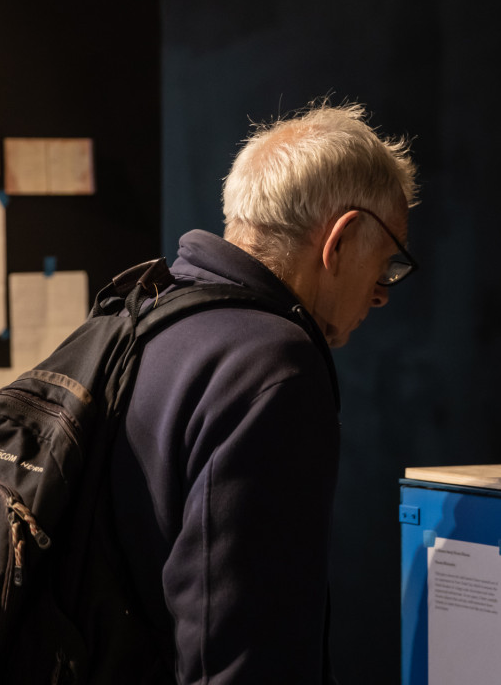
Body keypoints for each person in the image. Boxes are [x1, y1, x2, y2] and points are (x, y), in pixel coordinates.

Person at [106, 102, 418, 684]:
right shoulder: (275, 365)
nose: (381, 294)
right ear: (341, 240)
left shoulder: (138, 322)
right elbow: (243, 648)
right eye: (385, 263)